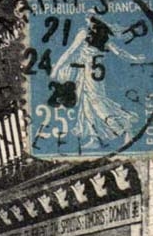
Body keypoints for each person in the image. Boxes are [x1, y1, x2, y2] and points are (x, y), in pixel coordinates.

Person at [50, 15, 146, 150]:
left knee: (97, 104)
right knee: (86, 104)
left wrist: (56, 69)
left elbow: (69, 51)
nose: (87, 20)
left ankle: (125, 127)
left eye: (89, 19)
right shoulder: (104, 39)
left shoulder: (84, 33)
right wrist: (135, 58)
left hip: (89, 75)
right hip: (93, 75)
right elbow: (120, 53)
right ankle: (94, 138)